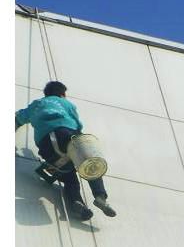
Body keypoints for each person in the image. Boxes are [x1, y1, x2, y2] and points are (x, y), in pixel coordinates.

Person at [15, 81, 116, 220]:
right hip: (67, 135)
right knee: (91, 165)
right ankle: (100, 196)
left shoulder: (37, 104)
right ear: (62, 94)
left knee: (69, 178)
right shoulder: (66, 104)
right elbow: (77, 123)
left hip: (47, 147)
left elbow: (19, 118)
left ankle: (76, 202)